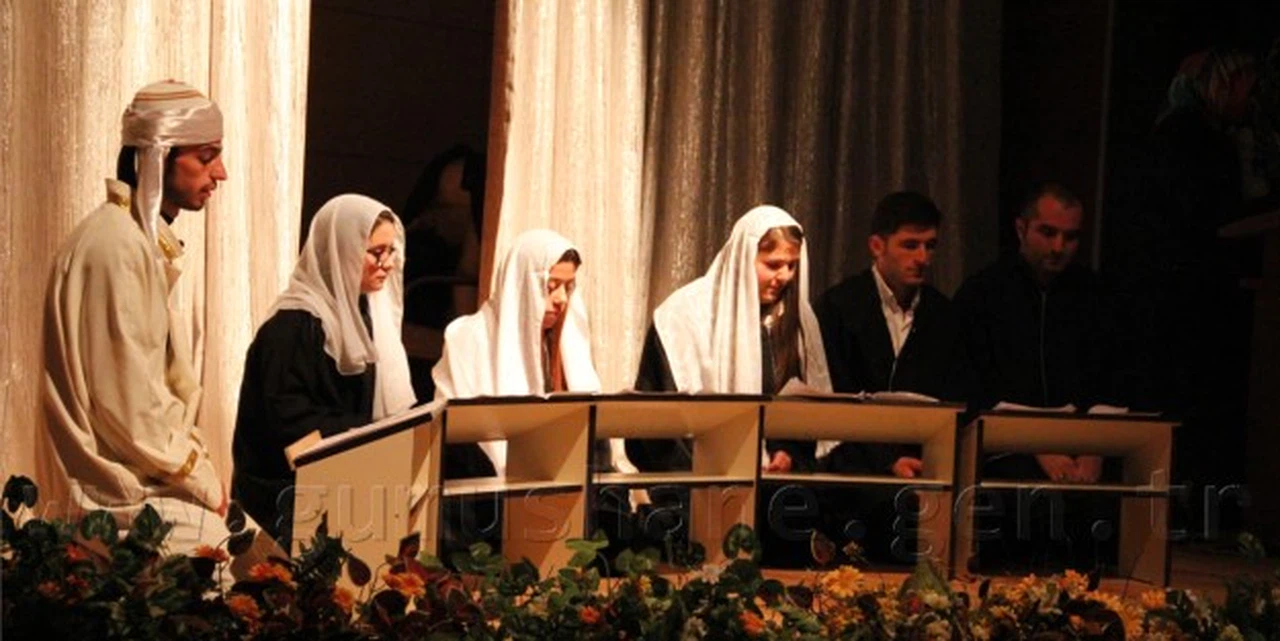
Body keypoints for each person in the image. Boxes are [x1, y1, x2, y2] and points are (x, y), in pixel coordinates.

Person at [40, 81, 231, 551]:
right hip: (115, 493)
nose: (220, 173)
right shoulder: (116, 246)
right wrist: (199, 477)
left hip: (143, 475)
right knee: (227, 563)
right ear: (158, 156)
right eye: (206, 157)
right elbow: (125, 404)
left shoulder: (134, 239)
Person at [631, 205, 831, 564]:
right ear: (743, 257)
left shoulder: (796, 322)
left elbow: (807, 410)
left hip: (770, 491)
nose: (784, 276)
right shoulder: (683, 317)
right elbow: (655, 425)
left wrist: (787, 453)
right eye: (773, 264)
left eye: (792, 265)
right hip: (692, 485)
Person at [953, 182, 1127, 573]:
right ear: (1021, 229)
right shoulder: (982, 295)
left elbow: (1113, 378)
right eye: (1048, 233)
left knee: (1109, 499)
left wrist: (1095, 448)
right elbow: (970, 386)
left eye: (1070, 237)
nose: (1058, 247)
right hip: (1007, 448)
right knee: (1028, 498)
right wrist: (1034, 444)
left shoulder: (1095, 297)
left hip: (1083, 446)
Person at [432, 230, 638, 551]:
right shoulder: (468, 339)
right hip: (485, 505)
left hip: (561, 494)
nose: (562, 299)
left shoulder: (568, 345)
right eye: (550, 286)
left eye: (568, 287)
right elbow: (456, 437)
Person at [231, 194, 417, 549]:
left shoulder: (362, 317)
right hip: (283, 496)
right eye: (376, 252)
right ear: (342, 251)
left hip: (342, 480)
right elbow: (291, 428)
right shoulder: (293, 326)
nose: (388, 263)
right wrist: (365, 439)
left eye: (391, 251)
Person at [813, 191, 967, 565]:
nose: (922, 257)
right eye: (910, 245)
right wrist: (888, 460)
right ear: (877, 246)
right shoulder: (839, 307)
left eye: (930, 246)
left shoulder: (944, 315)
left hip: (924, 464)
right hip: (852, 463)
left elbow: (955, 397)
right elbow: (835, 399)